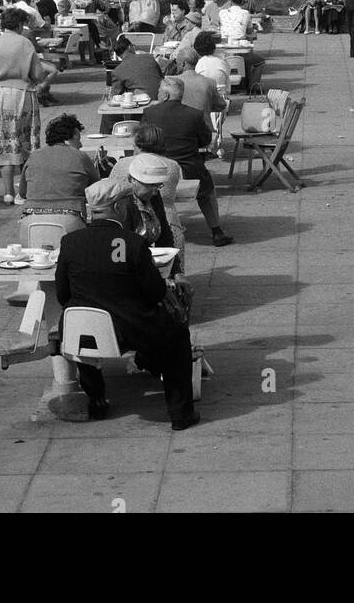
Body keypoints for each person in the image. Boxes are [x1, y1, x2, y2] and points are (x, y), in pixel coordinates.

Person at [53, 185, 199, 429]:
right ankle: (180, 414)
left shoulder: (70, 242)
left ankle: (97, 399)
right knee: (178, 336)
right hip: (132, 329)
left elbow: (62, 293)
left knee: (82, 332)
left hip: (86, 329)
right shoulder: (132, 243)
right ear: (119, 207)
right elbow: (155, 292)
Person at [143, 77, 232, 246]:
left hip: (157, 171)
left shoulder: (150, 113)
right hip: (188, 170)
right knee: (207, 191)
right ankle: (216, 230)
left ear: (166, 96)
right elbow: (205, 140)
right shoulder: (194, 115)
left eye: (160, 91)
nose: (157, 93)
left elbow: (143, 140)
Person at [0, 7, 46, 205]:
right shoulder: (25, 43)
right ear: (19, 24)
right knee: (25, 142)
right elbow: (38, 74)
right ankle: (23, 192)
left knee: (4, 143)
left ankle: (7, 192)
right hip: (22, 95)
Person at [108, 123, 186, 269]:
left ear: (137, 144)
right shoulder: (172, 166)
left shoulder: (121, 164)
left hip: (142, 236)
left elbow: (111, 187)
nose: (155, 191)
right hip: (170, 224)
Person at [24, 113, 99, 224]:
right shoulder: (80, 157)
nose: (81, 145)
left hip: (31, 221)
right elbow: (97, 191)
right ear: (67, 140)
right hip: (69, 221)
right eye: (78, 139)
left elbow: (22, 193)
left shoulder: (33, 156)